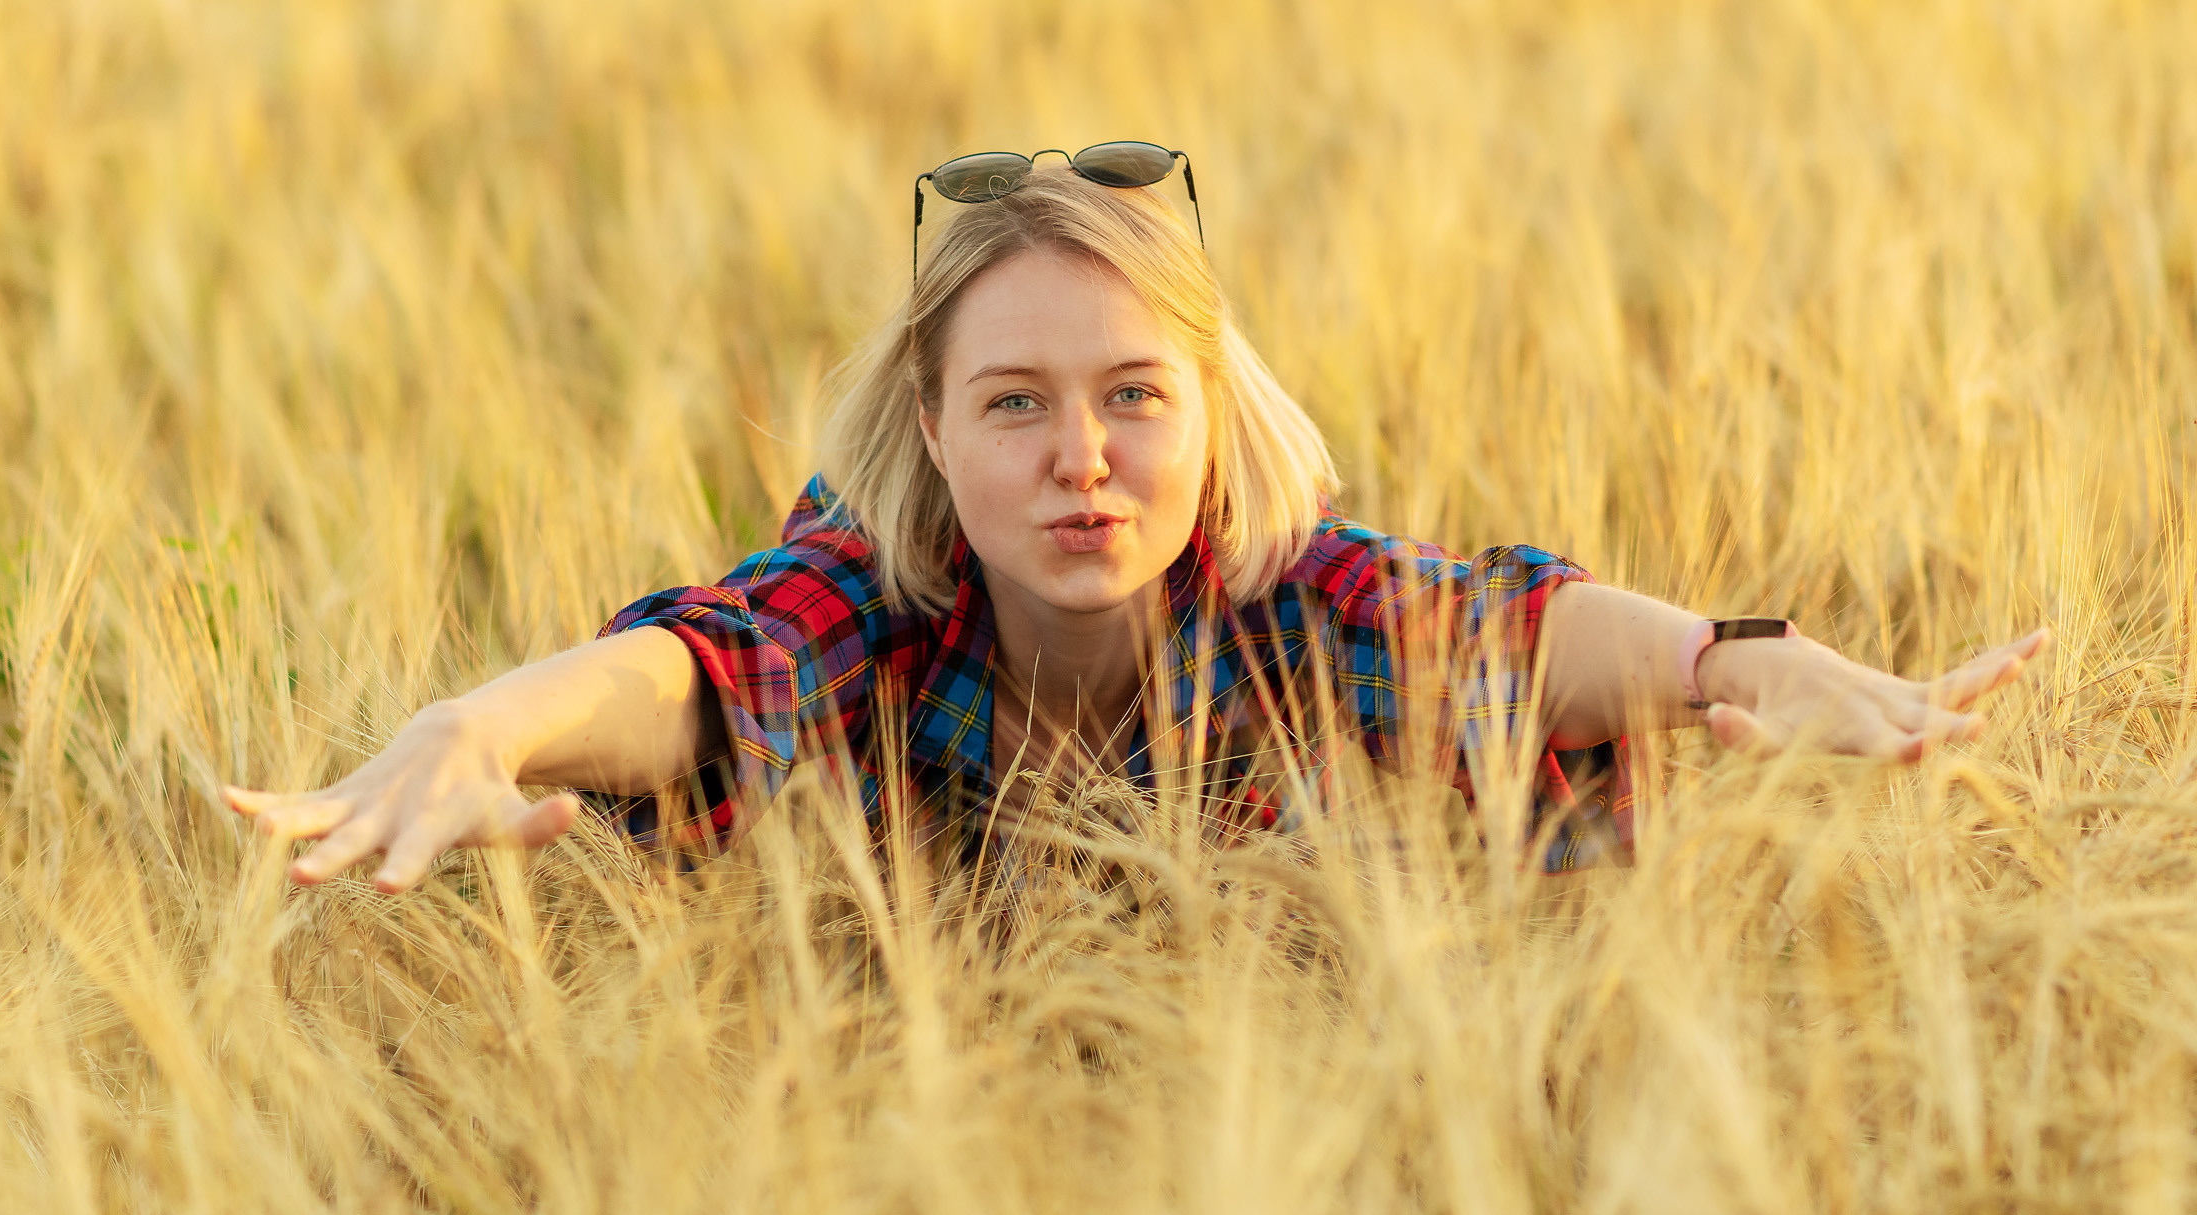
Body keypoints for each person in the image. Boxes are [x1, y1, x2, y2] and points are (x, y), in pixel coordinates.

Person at [224, 146, 2048, 893]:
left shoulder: (1287, 594)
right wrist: (485, 728)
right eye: (1014, 404)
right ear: (931, 438)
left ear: (1208, 416)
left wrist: (1748, 660)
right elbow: (701, 674)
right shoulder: (868, 599)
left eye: (1132, 397)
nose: (1080, 456)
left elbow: (1493, 629)